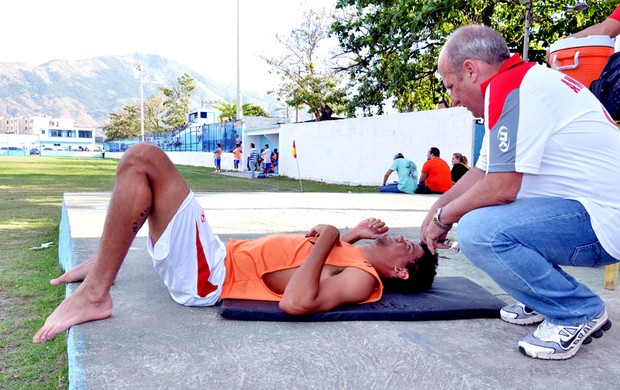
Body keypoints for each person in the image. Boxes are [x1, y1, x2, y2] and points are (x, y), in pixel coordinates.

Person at [33, 143, 438, 343]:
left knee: (143, 160)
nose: (401, 238)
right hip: (218, 256)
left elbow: (295, 301)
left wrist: (332, 232)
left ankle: (96, 293)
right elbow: (316, 258)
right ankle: (107, 262)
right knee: (148, 177)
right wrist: (349, 234)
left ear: (400, 270)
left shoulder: (363, 282)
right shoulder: (353, 257)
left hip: (210, 277)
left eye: (408, 247)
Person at [423, 24, 620, 360]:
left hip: (603, 222)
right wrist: (434, 211)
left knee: (478, 230)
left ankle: (576, 311)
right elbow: (482, 172)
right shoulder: (522, 82)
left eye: (452, 86)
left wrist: (445, 219)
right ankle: (541, 297)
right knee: (479, 211)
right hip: (594, 214)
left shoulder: (512, 88)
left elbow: (500, 189)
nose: (454, 99)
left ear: (470, 70)